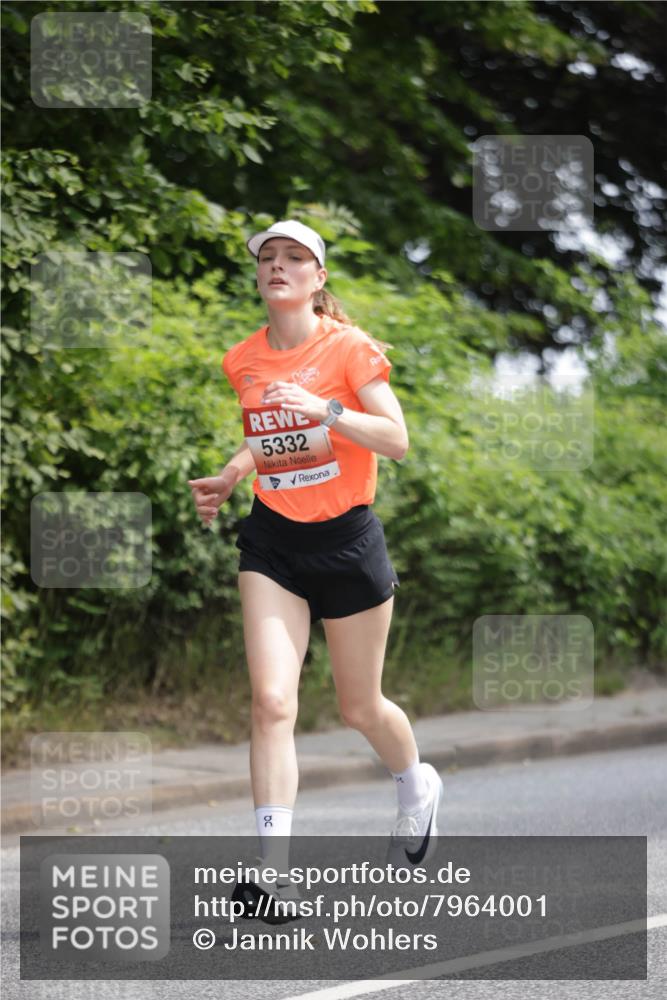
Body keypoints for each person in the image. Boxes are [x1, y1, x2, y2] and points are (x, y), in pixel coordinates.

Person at [188, 220, 443, 922]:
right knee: (272, 701)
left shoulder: (349, 349)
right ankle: (273, 877)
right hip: (271, 543)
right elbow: (269, 440)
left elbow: (396, 440)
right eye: (267, 258)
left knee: (360, 706)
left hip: (347, 542)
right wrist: (232, 474)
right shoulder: (241, 359)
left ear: (317, 277)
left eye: (293, 257)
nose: (277, 266)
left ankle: (415, 785)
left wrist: (327, 409)